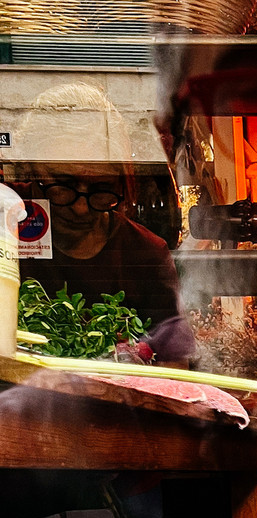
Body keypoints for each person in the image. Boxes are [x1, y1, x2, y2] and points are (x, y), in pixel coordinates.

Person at [14, 84, 193, 363]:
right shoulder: (5, 214)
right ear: (30, 168)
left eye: (102, 187)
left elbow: (174, 364)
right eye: (63, 183)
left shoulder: (145, 254)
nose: (81, 207)